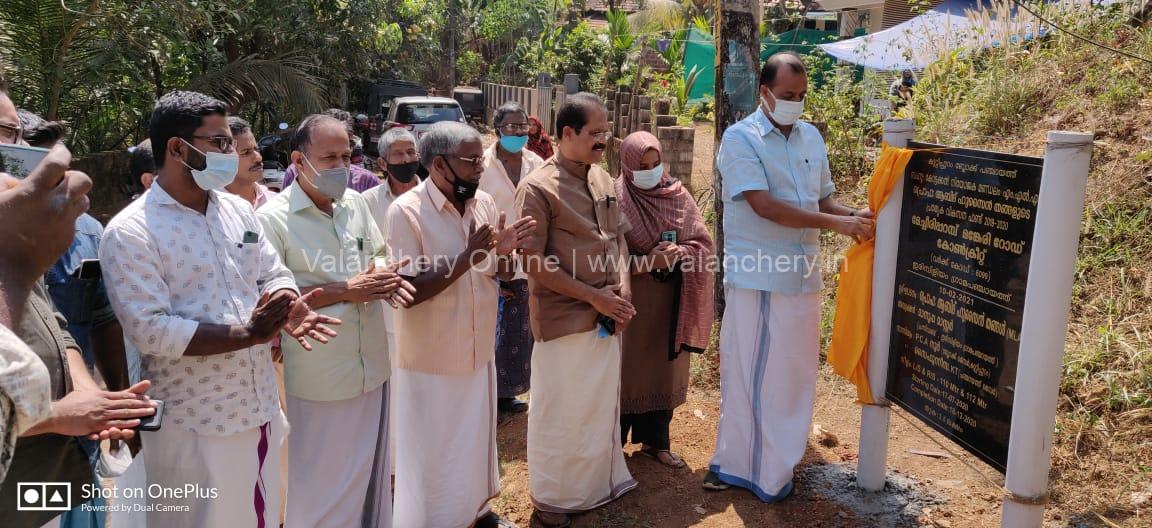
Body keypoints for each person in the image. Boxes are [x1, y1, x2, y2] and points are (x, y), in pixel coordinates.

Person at [100, 90, 339, 528]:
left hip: (259, 405)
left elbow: (273, 270)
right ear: (177, 148)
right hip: (193, 421)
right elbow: (150, 330)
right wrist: (249, 333)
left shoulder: (238, 211)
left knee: (259, 515)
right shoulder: (131, 231)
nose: (231, 154)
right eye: (221, 143)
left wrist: (287, 304)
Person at [706, 52, 874, 502]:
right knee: (757, 373)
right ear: (764, 92)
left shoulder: (810, 138)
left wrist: (856, 215)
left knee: (794, 374)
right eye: (786, 96)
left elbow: (824, 202)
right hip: (761, 277)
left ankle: (778, 461)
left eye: (801, 96)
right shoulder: (740, 140)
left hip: (802, 277)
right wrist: (840, 225)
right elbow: (764, 206)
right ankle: (752, 469)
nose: (795, 103)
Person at [258, 114, 413, 528]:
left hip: (372, 366)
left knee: (367, 479)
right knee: (322, 486)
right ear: (298, 159)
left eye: (346, 155)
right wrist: (347, 289)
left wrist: (384, 270)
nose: (341, 166)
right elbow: (274, 299)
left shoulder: (355, 205)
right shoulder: (272, 220)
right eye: (329, 158)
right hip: (319, 374)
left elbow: (378, 252)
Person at [386, 121, 534, 528]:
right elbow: (409, 289)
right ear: (439, 165)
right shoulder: (406, 212)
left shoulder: (484, 203)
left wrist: (505, 253)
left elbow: (498, 273)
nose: (479, 169)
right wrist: (469, 254)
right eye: (471, 161)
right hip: (431, 360)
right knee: (433, 455)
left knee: (471, 447)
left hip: (477, 350)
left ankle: (476, 513)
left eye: (478, 160)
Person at [516, 93, 637, 528]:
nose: (603, 140)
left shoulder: (603, 178)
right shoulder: (537, 188)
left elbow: (618, 239)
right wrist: (594, 296)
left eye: (606, 132)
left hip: (606, 314)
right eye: (595, 133)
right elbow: (531, 262)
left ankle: (591, 488)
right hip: (565, 318)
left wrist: (621, 287)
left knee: (596, 407)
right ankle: (553, 499)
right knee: (560, 411)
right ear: (567, 134)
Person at [20, 108, 138, 528]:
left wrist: (108, 404)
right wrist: (55, 414)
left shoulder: (87, 231)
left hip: (78, 443)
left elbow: (78, 323)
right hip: (20, 459)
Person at [614, 131, 715, 470]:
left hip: (671, 300)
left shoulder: (677, 194)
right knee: (625, 371)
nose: (651, 171)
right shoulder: (615, 199)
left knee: (662, 371)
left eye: (655, 164)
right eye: (642, 166)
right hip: (631, 300)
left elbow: (703, 244)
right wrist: (648, 262)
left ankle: (656, 443)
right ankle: (612, 448)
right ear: (627, 166)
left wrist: (680, 251)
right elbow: (606, 257)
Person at [478, 102, 546, 419]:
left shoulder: (536, 162)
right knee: (495, 326)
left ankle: (509, 395)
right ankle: (489, 397)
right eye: (511, 127)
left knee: (520, 328)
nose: (519, 133)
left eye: (523, 127)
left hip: (528, 257)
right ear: (497, 130)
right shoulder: (482, 165)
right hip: (493, 255)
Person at [281, 108, 380, 193]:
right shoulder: (295, 172)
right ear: (299, 161)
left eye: (345, 156)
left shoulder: (366, 182)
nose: (340, 166)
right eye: (329, 156)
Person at [224, 117, 278, 209]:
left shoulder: (274, 202)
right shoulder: (214, 208)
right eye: (246, 152)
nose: (258, 158)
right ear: (224, 159)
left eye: (256, 149)